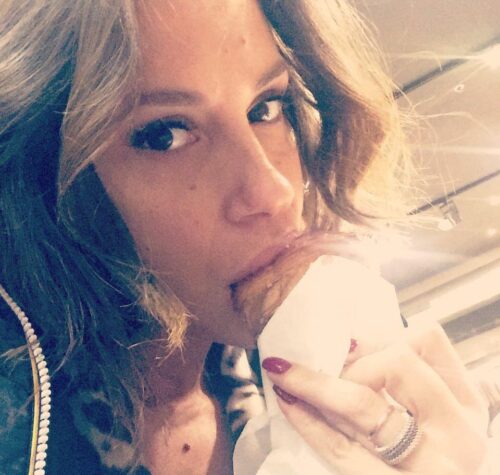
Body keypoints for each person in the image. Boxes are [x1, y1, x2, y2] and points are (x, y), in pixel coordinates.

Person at [0, 1, 494, 474]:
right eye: (165, 135)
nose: (273, 191)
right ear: (48, 178)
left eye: (266, 107)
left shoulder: (325, 365)